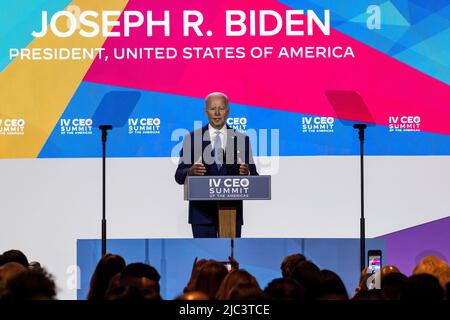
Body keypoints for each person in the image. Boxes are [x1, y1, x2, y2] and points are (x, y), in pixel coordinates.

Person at [175, 92, 258, 238]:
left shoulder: (241, 139)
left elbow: (254, 176)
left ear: (228, 110)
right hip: (201, 214)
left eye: (221, 108)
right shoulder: (192, 139)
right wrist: (190, 171)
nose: (217, 113)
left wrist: (247, 174)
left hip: (232, 213)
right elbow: (179, 175)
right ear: (206, 111)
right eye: (213, 108)